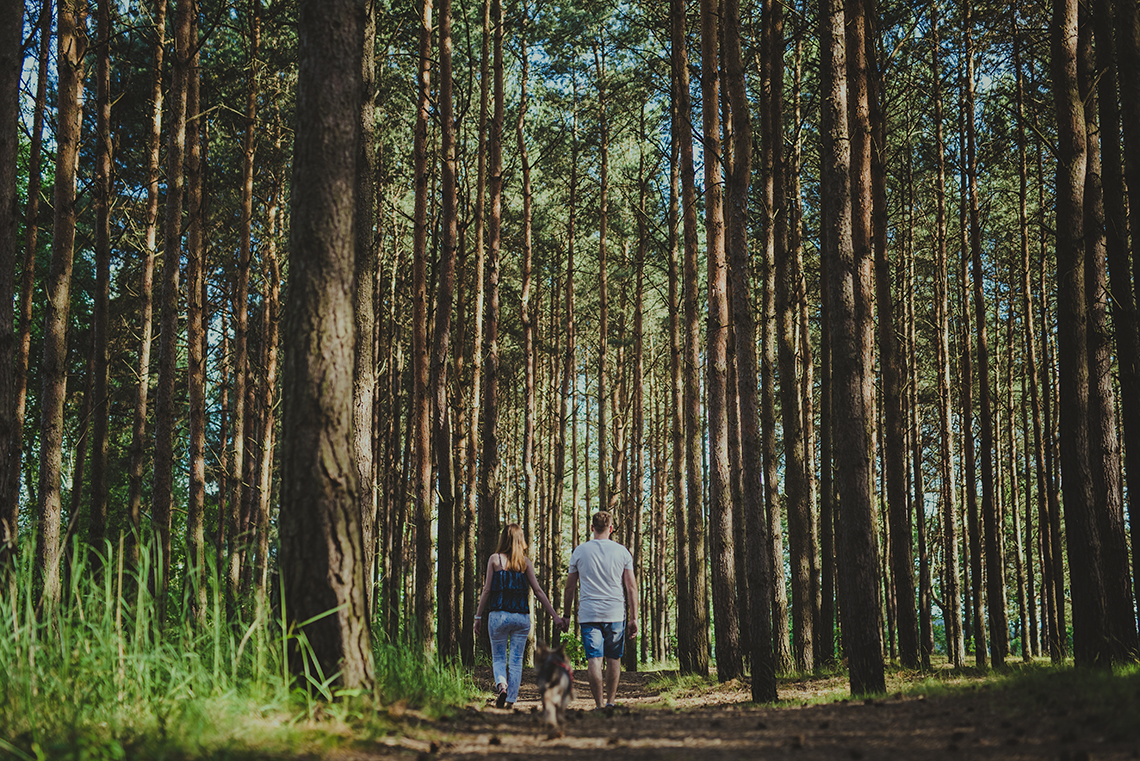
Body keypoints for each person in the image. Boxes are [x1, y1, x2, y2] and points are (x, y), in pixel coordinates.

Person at [474, 523, 564, 709]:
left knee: (498, 657)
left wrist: (478, 616)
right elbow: (538, 591)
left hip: (498, 616)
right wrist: (555, 616)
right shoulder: (525, 563)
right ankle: (511, 701)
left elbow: (487, 590)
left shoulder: (494, 559)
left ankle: (502, 687)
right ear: (520, 540)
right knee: (516, 661)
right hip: (521, 618)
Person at [560, 510, 638, 710]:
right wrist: (634, 618)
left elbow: (569, 587)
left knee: (594, 658)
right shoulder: (622, 552)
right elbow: (631, 587)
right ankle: (611, 701)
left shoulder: (580, 551)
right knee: (613, 658)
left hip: (589, 613)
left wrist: (566, 615)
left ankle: (599, 704)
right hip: (615, 613)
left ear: (592, 528)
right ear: (611, 529)